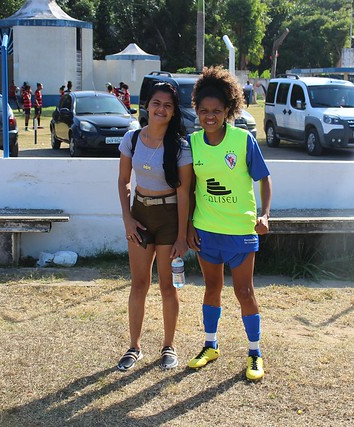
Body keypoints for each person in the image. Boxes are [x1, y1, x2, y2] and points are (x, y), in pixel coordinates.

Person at [186, 66, 272, 382]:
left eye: (217, 111)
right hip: (206, 231)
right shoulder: (191, 144)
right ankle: (210, 345)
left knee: (244, 290)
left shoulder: (243, 140)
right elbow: (190, 189)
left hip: (240, 231)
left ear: (228, 111)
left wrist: (264, 214)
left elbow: (264, 178)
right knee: (211, 287)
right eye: (205, 111)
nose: (210, 116)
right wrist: (188, 225)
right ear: (196, 110)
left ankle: (254, 353)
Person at [116, 82, 193, 371]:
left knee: (167, 286)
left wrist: (183, 236)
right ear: (147, 105)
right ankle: (134, 346)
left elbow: (185, 193)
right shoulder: (132, 139)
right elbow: (124, 181)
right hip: (139, 215)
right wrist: (127, 218)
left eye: (168, 106)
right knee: (138, 284)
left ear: (173, 113)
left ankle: (169, 346)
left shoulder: (180, 147)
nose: (161, 109)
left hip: (169, 219)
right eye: (156, 103)